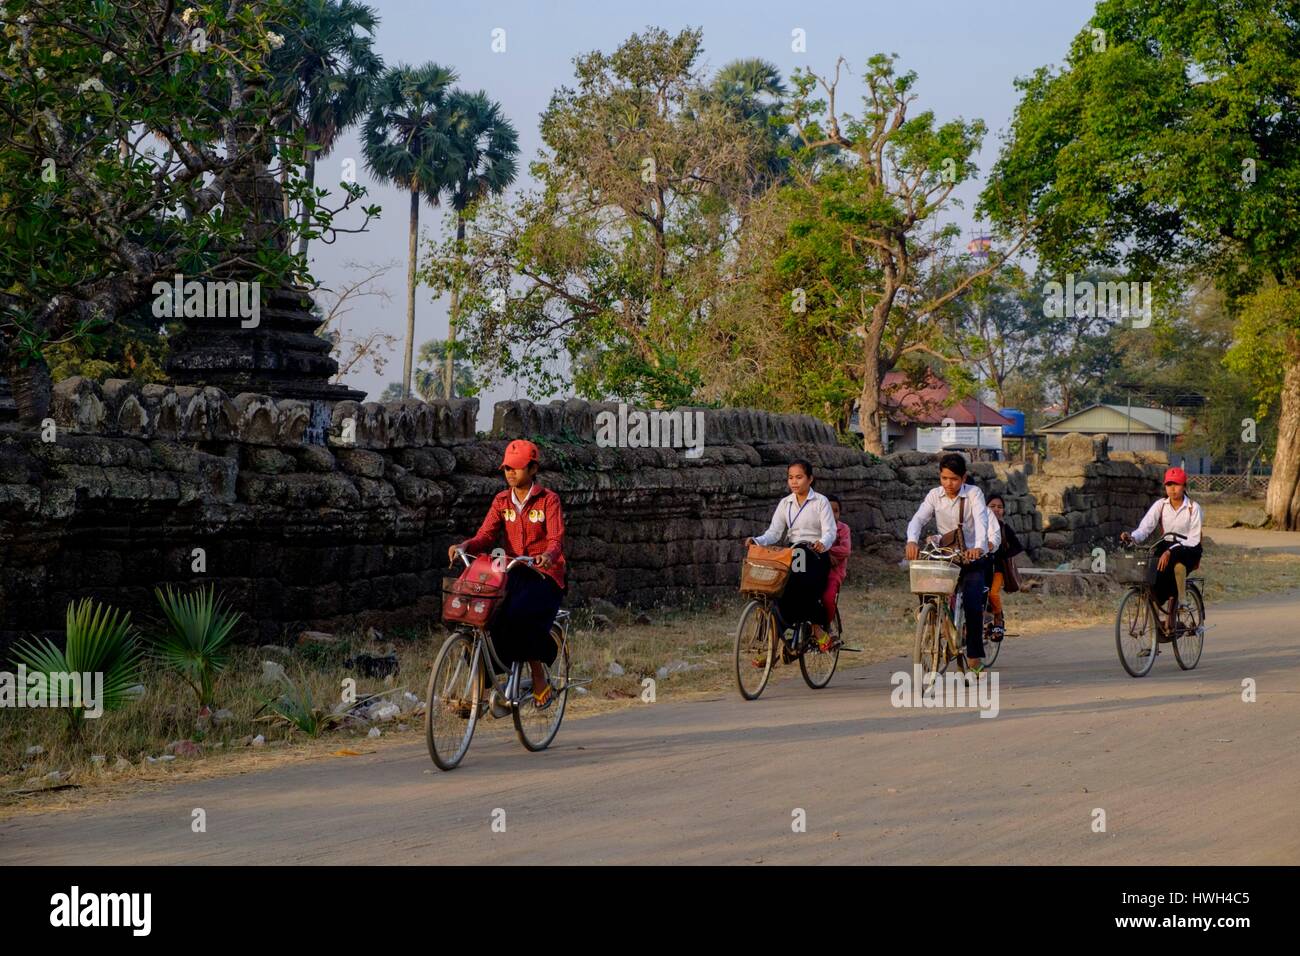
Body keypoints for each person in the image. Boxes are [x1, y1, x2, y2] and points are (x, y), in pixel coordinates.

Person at [450, 439, 566, 708]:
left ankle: (538, 673)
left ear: (533, 468)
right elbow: (486, 535)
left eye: (516, 468)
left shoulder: (548, 500)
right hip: (512, 572)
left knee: (520, 613)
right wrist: (465, 546)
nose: (510, 473)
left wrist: (547, 556)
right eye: (506, 469)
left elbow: (556, 540)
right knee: (485, 613)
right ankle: (485, 679)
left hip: (544, 575)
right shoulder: (501, 501)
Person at [905, 453, 993, 672]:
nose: (948, 484)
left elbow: (982, 520)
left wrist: (979, 547)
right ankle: (933, 620)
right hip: (947, 557)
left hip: (971, 558)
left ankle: (973, 655)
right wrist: (912, 540)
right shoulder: (934, 496)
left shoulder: (974, 494)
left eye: (953, 479)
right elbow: (918, 519)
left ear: (963, 478)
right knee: (926, 590)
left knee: (973, 604)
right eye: (944, 478)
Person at [746, 459, 837, 650]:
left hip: (815, 554)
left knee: (803, 588)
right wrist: (757, 541)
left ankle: (816, 627)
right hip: (793, 553)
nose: (794, 482)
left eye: (799, 477)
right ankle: (772, 640)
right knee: (775, 590)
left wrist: (823, 543)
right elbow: (774, 532)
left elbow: (830, 531)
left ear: (810, 479)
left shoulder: (820, 501)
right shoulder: (785, 503)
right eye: (790, 478)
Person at [1120, 466, 1202, 638]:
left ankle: (1181, 601)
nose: (1172, 489)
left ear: (1184, 486)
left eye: (1177, 484)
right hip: (1165, 545)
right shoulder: (1160, 505)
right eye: (1169, 484)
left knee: (1176, 565)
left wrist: (1171, 551)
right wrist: (1132, 537)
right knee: (1150, 580)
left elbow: (1193, 538)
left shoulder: (1193, 508)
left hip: (1189, 548)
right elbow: (1145, 528)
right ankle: (1155, 633)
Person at [985, 493, 1024, 642]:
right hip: (982, 568)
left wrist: (1003, 555)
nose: (996, 510)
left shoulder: (1004, 528)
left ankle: (998, 618)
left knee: (993, 594)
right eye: (992, 506)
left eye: (1000, 507)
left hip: (998, 569)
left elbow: (1017, 546)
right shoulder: (979, 525)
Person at [821, 493, 851, 637]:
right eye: (829, 510)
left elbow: (845, 550)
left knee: (828, 598)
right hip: (817, 569)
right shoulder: (816, 527)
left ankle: (828, 624)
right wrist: (826, 555)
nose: (832, 514)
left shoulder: (843, 529)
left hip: (834, 572)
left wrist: (823, 550)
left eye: (836, 511)